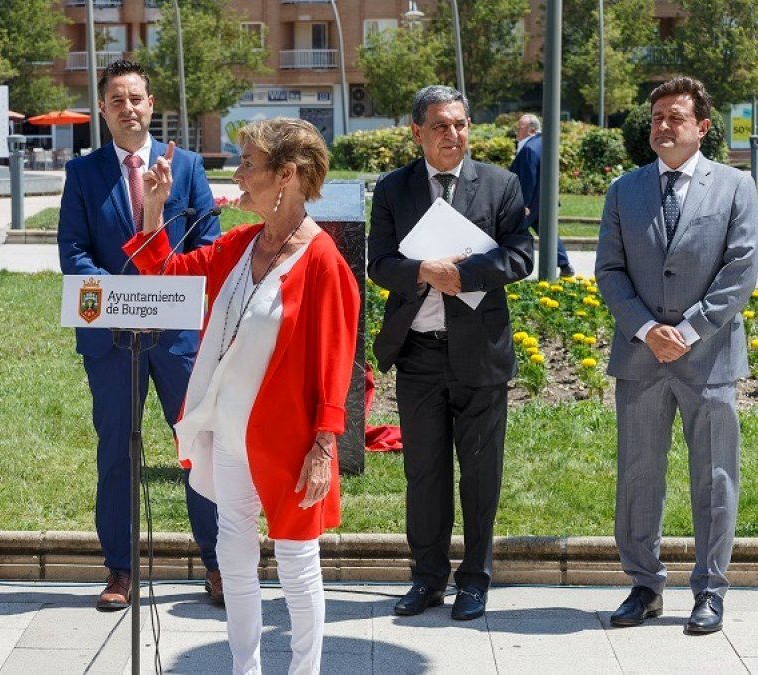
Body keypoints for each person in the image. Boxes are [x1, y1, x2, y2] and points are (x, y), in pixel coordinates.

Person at [124, 118, 359, 674]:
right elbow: (165, 272)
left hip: (290, 441)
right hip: (229, 431)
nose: (238, 172)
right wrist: (154, 209)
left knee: (299, 566)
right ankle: (244, 668)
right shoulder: (241, 244)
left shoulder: (323, 261)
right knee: (234, 553)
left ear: (288, 175)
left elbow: (337, 363)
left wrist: (324, 446)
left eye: (249, 162)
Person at [596, 76, 758, 634]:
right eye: (656, 117)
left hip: (708, 358)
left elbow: (739, 271)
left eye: (675, 117)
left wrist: (685, 332)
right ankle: (644, 586)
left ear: (703, 127)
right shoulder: (624, 189)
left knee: (714, 476)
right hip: (641, 359)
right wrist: (646, 329)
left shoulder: (736, 186)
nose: (663, 126)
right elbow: (610, 271)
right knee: (639, 474)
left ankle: (710, 590)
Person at [58, 59, 222, 610]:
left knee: (197, 447)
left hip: (178, 339)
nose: (129, 108)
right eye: (117, 100)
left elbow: (207, 244)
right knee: (117, 451)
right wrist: (123, 303)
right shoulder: (82, 174)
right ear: (102, 109)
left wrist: (162, 294)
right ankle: (120, 570)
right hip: (113, 341)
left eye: (137, 99)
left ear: (152, 106)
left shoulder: (189, 165)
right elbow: (75, 253)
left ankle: (217, 562)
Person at [367, 85, 533, 621]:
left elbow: (521, 256)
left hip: (479, 353)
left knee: (481, 474)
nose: (452, 135)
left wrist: (460, 275)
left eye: (460, 124)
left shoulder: (501, 184)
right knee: (425, 473)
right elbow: (379, 263)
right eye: (440, 125)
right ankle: (427, 578)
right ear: (417, 132)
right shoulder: (394, 189)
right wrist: (422, 271)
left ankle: (475, 580)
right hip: (417, 353)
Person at [509, 113, 573, 276]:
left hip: (532, 203)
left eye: (520, 127)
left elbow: (528, 178)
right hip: (544, 201)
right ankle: (564, 265)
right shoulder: (544, 143)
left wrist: (524, 204)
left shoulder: (529, 148)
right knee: (548, 232)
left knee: (512, 231)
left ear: (531, 130)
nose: (517, 130)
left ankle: (511, 265)